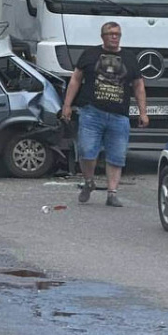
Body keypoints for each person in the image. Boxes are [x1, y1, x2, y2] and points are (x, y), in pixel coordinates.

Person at [60, 21, 149, 207]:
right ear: (103, 36)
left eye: (117, 34)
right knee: (86, 151)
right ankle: (89, 182)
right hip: (92, 112)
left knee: (116, 156)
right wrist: (66, 105)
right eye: (110, 34)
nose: (114, 37)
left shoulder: (129, 58)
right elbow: (75, 79)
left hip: (119, 115)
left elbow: (139, 86)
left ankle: (112, 193)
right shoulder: (90, 54)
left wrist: (143, 112)